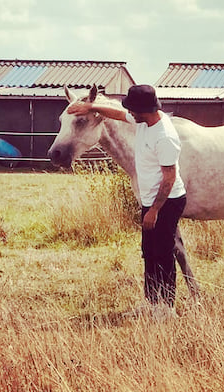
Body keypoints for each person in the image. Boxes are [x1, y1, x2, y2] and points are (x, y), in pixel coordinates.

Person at [68, 84, 186, 314]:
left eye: (133, 110)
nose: (128, 113)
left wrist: (154, 210)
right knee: (149, 251)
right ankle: (152, 303)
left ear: (144, 110)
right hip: (151, 199)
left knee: (163, 252)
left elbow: (169, 179)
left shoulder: (164, 136)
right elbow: (118, 114)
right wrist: (91, 106)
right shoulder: (144, 121)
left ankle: (167, 309)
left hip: (167, 201)